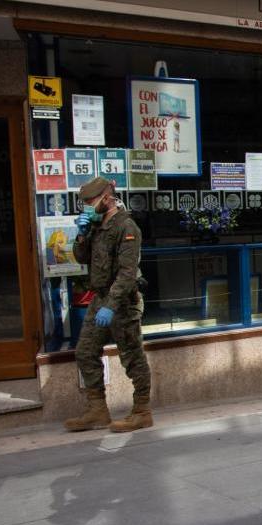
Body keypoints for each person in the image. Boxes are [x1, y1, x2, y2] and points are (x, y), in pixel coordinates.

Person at [64, 176, 153, 433]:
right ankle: (97, 410)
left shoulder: (126, 227)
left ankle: (142, 411)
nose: (87, 207)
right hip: (100, 298)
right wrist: (81, 235)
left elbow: (127, 273)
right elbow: (82, 258)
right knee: (85, 351)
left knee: (132, 356)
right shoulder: (96, 226)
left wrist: (111, 305)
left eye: (91, 202)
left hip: (123, 301)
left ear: (107, 197)